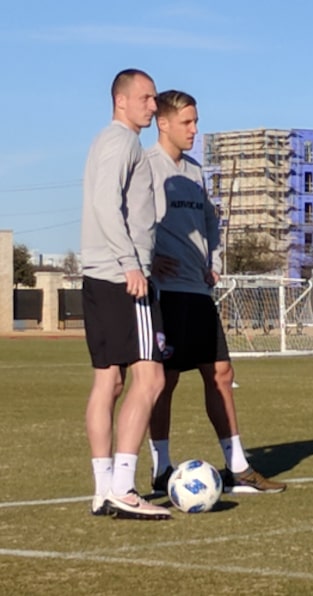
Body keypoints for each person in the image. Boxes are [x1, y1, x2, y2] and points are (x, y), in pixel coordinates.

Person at [146, 90, 286, 494]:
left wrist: (214, 261)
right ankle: (161, 468)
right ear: (164, 123)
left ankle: (238, 467)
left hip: (197, 290)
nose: (194, 129)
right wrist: (147, 261)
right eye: (187, 122)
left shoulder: (194, 171)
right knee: (164, 381)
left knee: (221, 373)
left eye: (196, 121)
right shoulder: (146, 167)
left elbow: (210, 221)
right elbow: (129, 221)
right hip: (164, 293)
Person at [81, 69, 170, 520]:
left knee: (109, 381)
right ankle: (122, 486)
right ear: (121, 100)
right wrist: (131, 262)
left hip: (100, 277)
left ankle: (102, 491)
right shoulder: (123, 142)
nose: (153, 107)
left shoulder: (103, 140)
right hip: (122, 279)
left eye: (154, 99)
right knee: (150, 378)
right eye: (147, 98)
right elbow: (104, 203)